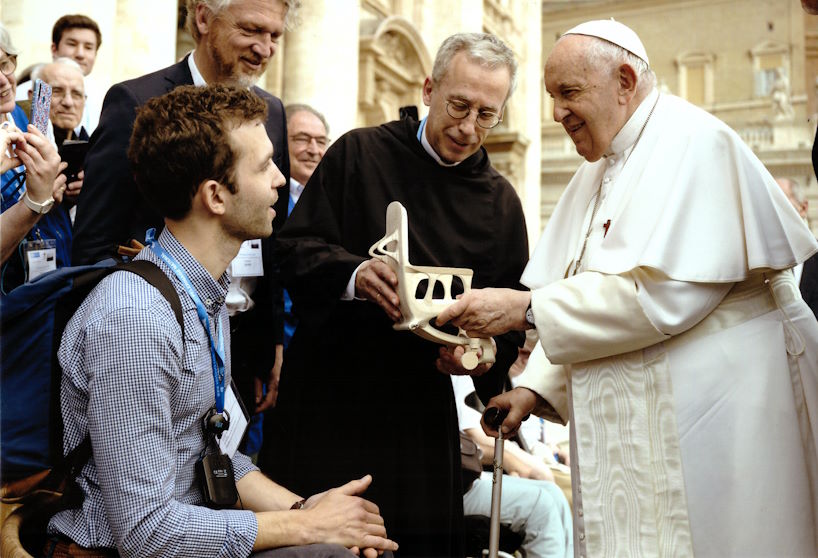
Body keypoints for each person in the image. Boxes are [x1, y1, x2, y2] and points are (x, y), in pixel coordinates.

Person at [437, 19, 818, 557]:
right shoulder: (598, 167)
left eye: (569, 93)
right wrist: (536, 387)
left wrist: (524, 309)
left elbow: (665, 298)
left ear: (624, 81)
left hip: (725, 408)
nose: (556, 113)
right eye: (551, 96)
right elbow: (586, 291)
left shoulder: (696, 143)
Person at [47, 84, 397, 558]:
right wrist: (306, 528)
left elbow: (217, 457)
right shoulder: (135, 320)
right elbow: (147, 532)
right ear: (215, 196)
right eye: (263, 166)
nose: (280, 180)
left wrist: (307, 511)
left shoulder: (201, 293)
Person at [261, 32, 529, 556]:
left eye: (487, 115)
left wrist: (478, 357)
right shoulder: (361, 153)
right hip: (332, 399)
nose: (468, 127)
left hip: (420, 417)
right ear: (429, 89)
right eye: (458, 105)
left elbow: (513, 319)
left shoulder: (501, 203)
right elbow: (290, 252)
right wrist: (355, 274)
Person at [71, 0, 294, 445]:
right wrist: (138, 336)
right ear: (204, 18)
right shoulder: (136, 102)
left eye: (275, 36)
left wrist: (271, 344)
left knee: (227, 473)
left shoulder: (272, 110)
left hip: (241, 347)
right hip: (152, 349)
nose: (265, 48)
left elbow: (274, 239)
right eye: (251, 30)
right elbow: (93, 248)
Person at [452, 374, 572, 558]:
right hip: (455, 483)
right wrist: (520, 463)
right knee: (542, 504)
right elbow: (476, 437)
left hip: (466, 475)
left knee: (553, 493)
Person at [0, 25, 69, 288]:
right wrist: (35, 200)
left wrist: (59, 188)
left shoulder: (31, 118)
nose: (4, 80)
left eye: (5, 64)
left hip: (47, 276)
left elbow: (50, 190)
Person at [16, 14, 103, 134]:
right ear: (54, 49)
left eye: (88, 47)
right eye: (72, 44)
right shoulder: (23, 93)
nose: (80, 54)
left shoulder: (99, 97)